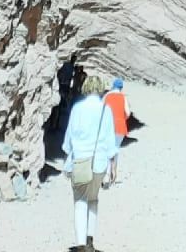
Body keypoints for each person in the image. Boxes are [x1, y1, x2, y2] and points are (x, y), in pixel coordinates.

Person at [63, 74, 119, 251]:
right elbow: (111, 141)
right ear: (101, 89)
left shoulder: (77, 109)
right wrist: (113, 166)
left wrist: (69, 154)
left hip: (80, 161)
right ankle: (90, 240)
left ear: (85, 88)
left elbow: (68, 140)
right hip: (99, 163)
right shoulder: (106, 110)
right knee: (93, 199)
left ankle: (80, 245)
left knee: (80, 200)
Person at [102, 77, 130, 187]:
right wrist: (121, 118)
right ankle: (113, 172)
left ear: (113, 86)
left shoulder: (107, 96)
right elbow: (127, 113)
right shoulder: (123, 97)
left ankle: (106, 174)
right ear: (121, 88)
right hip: (120, 127)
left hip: (107, 126)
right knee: (115, 149)